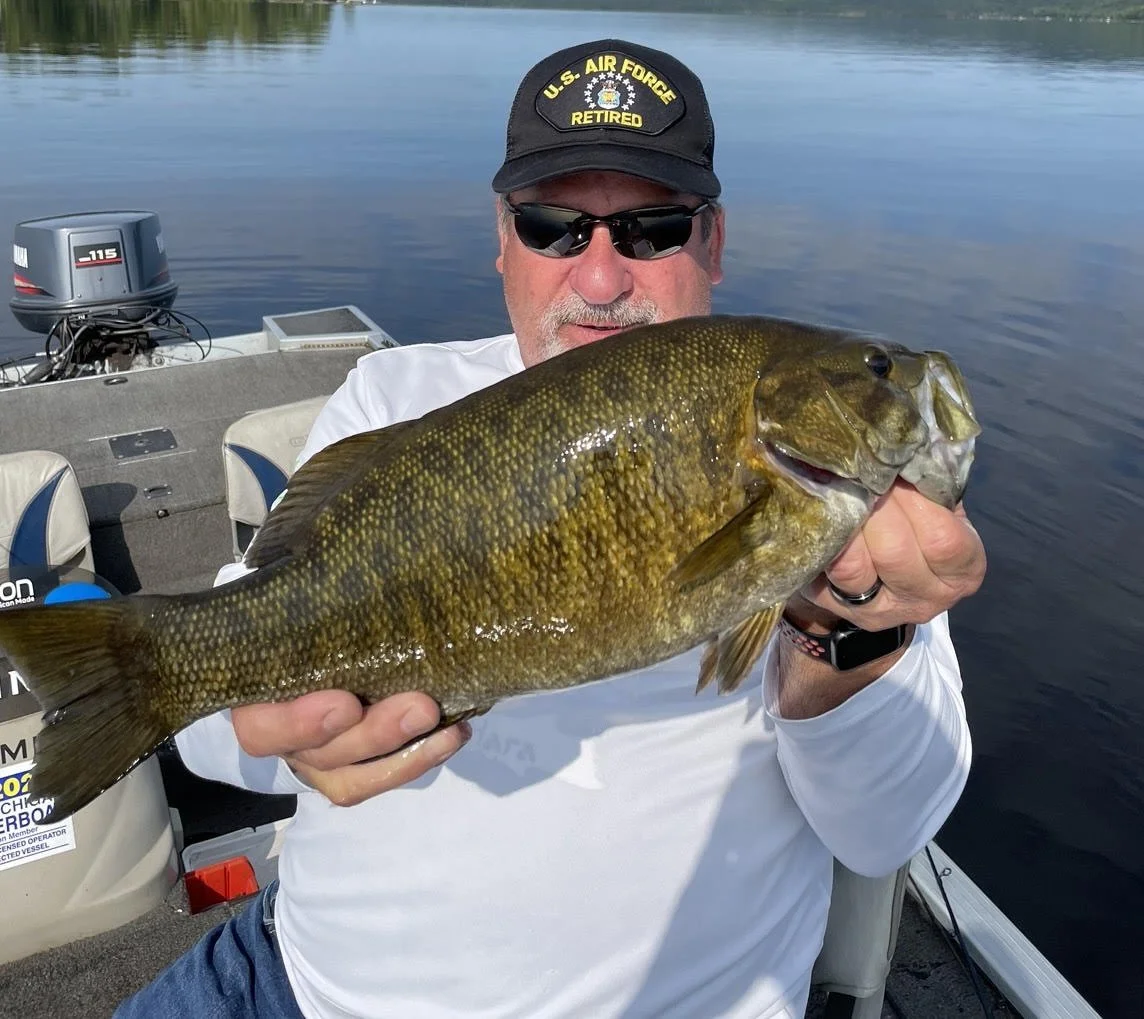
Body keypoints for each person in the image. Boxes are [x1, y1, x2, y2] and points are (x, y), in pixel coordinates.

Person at [117, 38, 986, 1019]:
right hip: (301, 983)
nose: (604, 277)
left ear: (713, 242)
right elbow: (215, 732)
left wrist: (848, 630)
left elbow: (883, 832)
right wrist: (271, 734)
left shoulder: (858, 518)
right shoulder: (392, 398)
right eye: (552, 226)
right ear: (502, 238)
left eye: (652, 229)